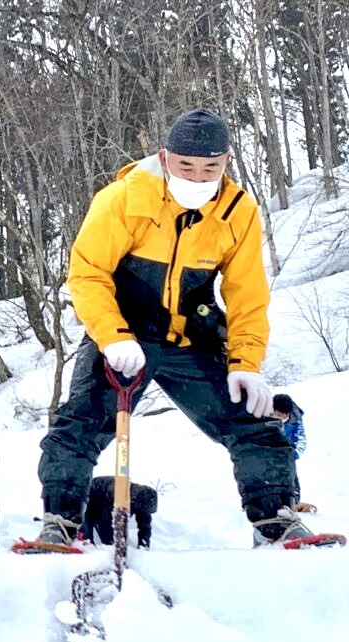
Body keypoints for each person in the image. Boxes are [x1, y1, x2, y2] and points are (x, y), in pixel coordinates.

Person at [35, 107, 306, 550]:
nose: (198, 178)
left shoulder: (238, 211)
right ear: (164, 159)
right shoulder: (123, 199)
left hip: (191, 337)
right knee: (81, 423)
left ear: (227, 162)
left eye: (209, 169)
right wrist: (112, 335)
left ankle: (276, 521)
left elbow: (247, 294)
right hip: (124, 332)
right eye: (186, 167)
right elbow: (87, 274)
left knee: (252, 421)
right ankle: (62, 521)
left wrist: (246, 363)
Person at [80, 477, 157, 549]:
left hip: (107, 498)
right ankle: (87, 552)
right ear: (133, 501)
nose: (144, 513)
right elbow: (108, 521)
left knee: (110, 540)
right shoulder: (118, 494)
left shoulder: (144, 503)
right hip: (93, 494)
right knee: (91, 531)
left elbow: (145, 528)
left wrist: (143, 547)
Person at [272, 393, 309, 509]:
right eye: (277, 414)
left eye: (284, 416)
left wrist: (295, 453)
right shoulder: (264, 417)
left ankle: (294, 501)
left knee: (290, 476)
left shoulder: (295, 419)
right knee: (267, 476)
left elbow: (301, 438)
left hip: (288, 453)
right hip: (268, 453)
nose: (281, 418)